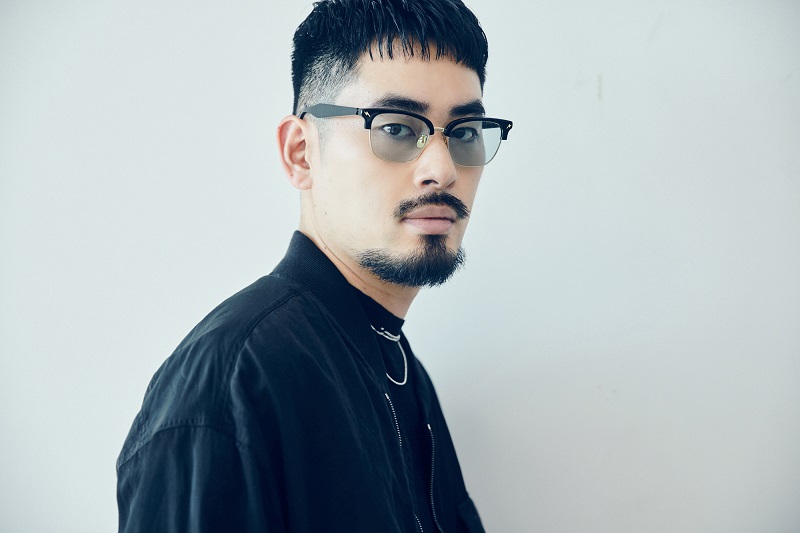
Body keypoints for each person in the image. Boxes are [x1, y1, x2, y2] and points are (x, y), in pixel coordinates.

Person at [116, 0, 512, 531]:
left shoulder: (399, 367)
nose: (442, 170)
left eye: (463, 132)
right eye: (396, 128)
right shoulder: (234, 383)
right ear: (301, 152)